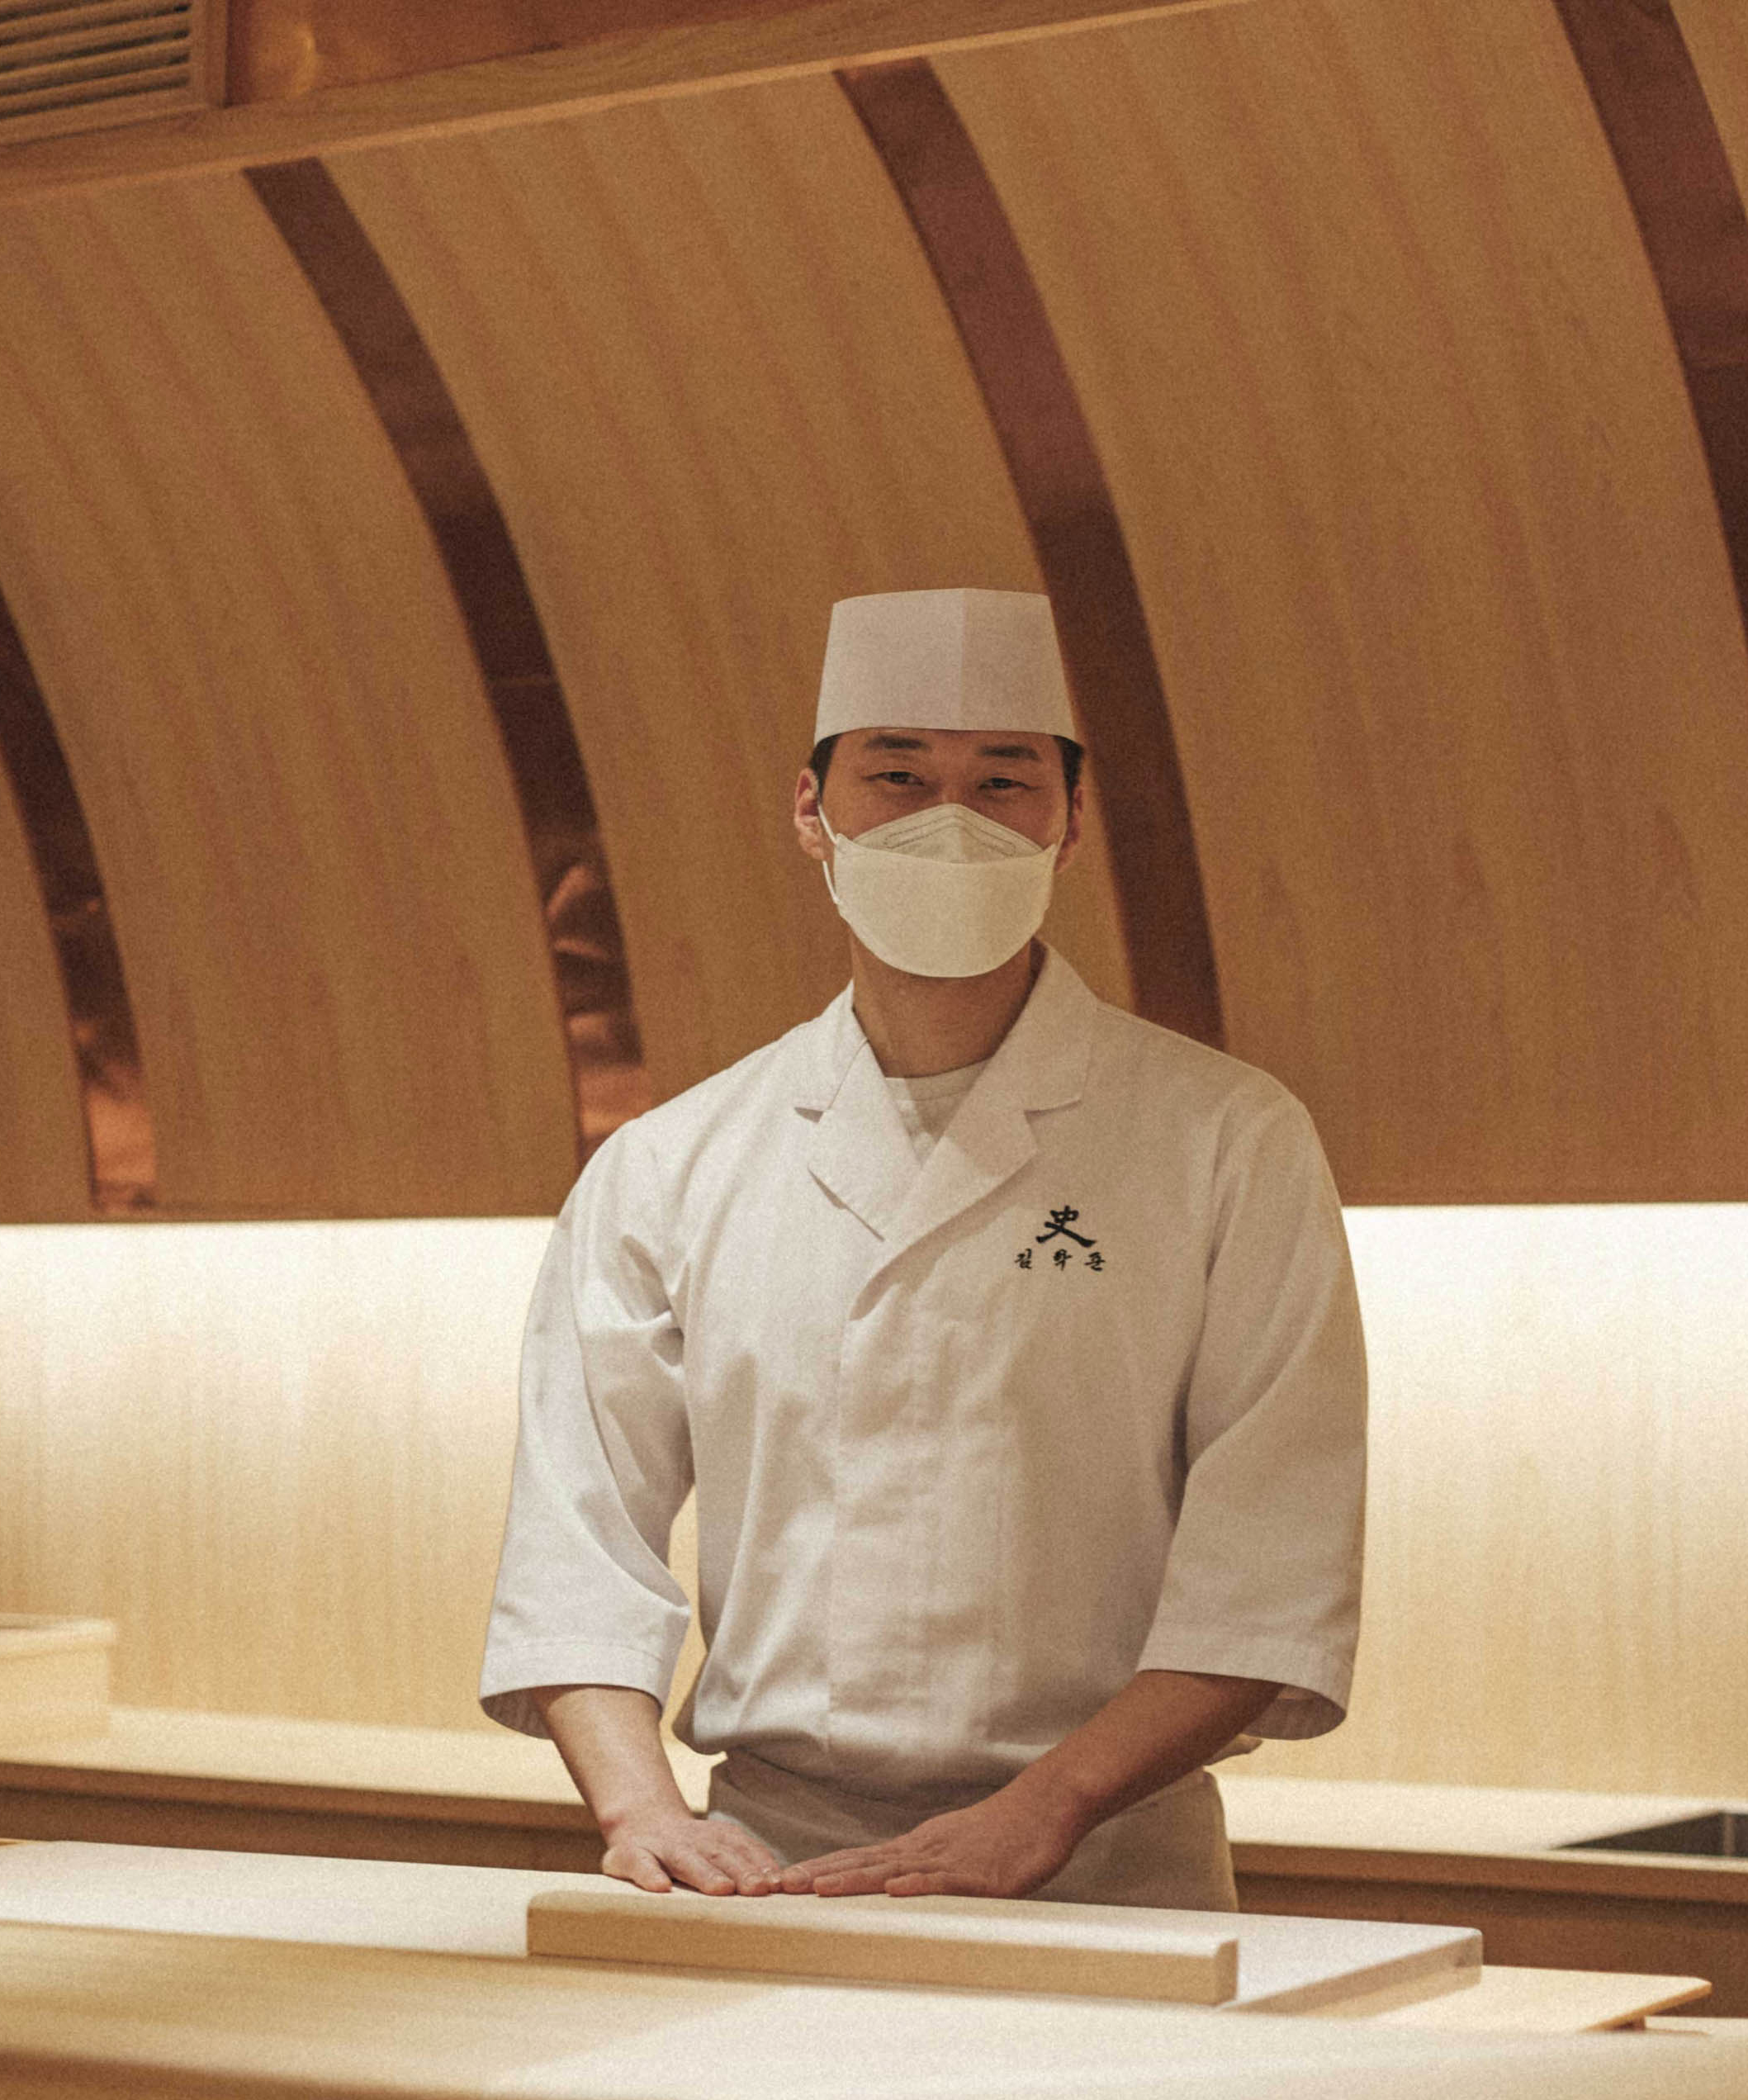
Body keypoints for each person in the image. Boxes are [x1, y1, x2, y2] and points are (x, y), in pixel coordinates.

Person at [479, 587, 1366, 1912]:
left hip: (1109, 1869)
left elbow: (1269, 1558)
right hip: (766, 1868)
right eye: (898, 776)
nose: (951, 820)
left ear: (1071, 823)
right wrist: (640, 1807)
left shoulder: (1227, 1140)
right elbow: (578, 1532)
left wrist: (1047, 1809)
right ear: (812, 810)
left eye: (1002, 782)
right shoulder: (672, 1163)